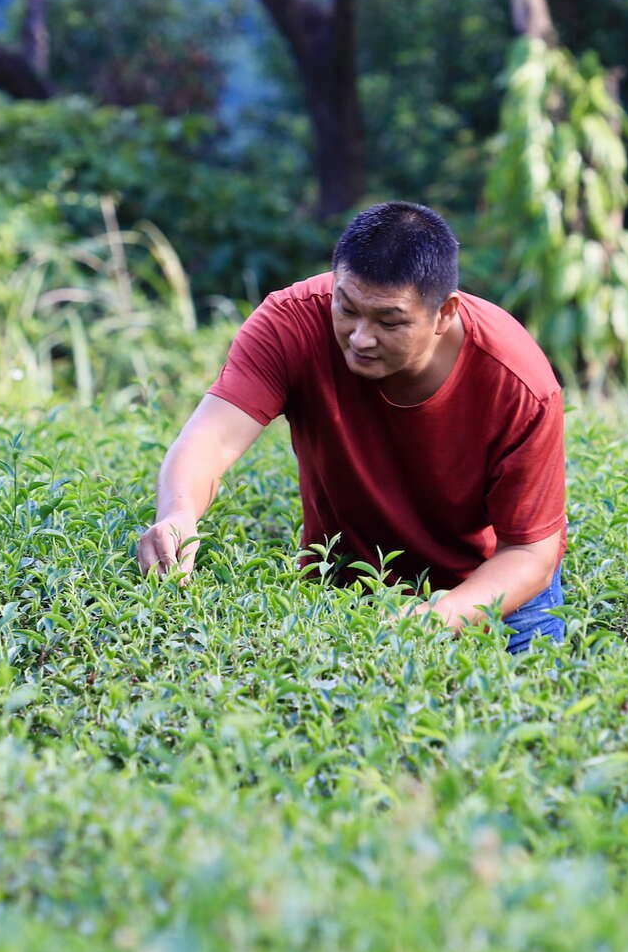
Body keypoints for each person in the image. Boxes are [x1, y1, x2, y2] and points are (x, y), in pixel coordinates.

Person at [135, 201, 567, 653]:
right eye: (347, 308)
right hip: (351, 585)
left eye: (389, 321)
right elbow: (210, 438)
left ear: (444, 313)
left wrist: (434, 620)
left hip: (495, 588)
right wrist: (178, 515)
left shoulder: (517, 381)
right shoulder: (292, 321)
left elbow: (528, 552)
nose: (360, 337)